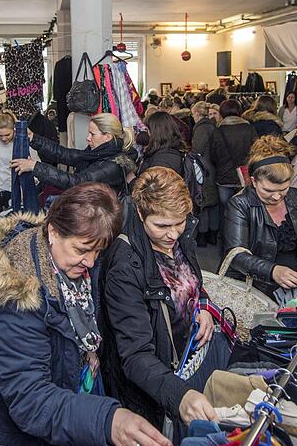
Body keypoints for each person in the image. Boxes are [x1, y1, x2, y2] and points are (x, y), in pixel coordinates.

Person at [0, 183, 171, 446]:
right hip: (0, 429)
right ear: (53, 231)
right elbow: (30, 400)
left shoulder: (72, 263)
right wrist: (104, 419)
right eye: (81, 250)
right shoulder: (20, 292)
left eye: (97, 251)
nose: (90, 261)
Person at [99, 167, 218, 432]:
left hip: (183, 363)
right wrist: (179, 395)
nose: (173, 234)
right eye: (162, 225)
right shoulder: (125, 266)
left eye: (180, 222)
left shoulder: (179, 239)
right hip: (151, 387)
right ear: (141, 214)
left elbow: (190, 282)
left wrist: (203, 306)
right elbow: (135, 355)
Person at [224, 135, 297, 305]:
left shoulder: (296, 196)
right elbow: (237, 255)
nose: (277, 196)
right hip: (257, 286)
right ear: (254, 182)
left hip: (292, 280)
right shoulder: (240, 204)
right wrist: (273, 271)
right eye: (268, 190)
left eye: (283, 189)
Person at [11, 113, 137, 194]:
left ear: (107, 137)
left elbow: (76, 182)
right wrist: (33, 138)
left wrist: (35, 166)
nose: (88, 138)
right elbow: (66, 154)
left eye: (92, 134)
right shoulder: (98, 153)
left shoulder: (113, 165)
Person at [0, 110, 39, 214]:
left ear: (14, 129)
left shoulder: (22, 140)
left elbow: (35, 165)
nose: (3, 138)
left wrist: (23, 190)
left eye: (7, 134)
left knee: (14, 222)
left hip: (13, 188)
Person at [210, 99, 258, 218]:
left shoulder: (218, 130)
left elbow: (214, 155)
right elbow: (256, 150)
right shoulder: (249, 128)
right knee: (244, 211)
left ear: (221, 112)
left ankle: (227, 234)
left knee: (226, 212)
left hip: (224, 177)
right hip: (245, 176)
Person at [191, 102, 220, 246]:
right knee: (212, 204)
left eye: (193, 114)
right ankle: (212, 235)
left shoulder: (202, 128)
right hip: (212, 169)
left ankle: (203, 236)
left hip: (203, 170)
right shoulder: (212, 126)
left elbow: (197, 150)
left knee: (203, 203)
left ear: (197, 113)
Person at [139, 111, 185, 176]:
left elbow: (155, 185)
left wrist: (132, 180)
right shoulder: (171, 149)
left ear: (155, 132)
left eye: (148, 130)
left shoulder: (162, 161)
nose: (148, 134)